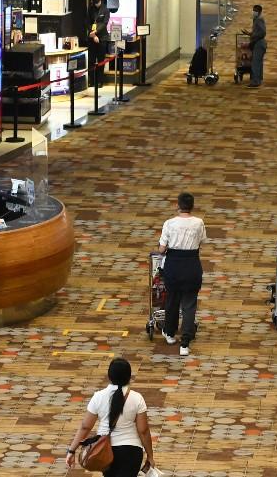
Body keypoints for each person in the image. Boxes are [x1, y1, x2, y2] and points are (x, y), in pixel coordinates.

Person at [65, 358, 155, 476]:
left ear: (109, 376)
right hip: (132, 451)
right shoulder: (137, 398)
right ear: (129, 376)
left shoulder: (98, 397)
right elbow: (143, 431)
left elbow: (85, 427)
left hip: (105, 451)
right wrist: (150, 456)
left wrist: (72, 450)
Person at [158, 192, 207, 356]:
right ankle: (185, 342)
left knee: (172, 299)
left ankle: (170, 333)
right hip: (192, 264)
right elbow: (201, 242)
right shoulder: (198, 223)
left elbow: (162, 248)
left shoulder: (169, 223)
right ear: (192, 206)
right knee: (189, 304)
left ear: (177, 205)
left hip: (174, 265)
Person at [87, 0, 110, 85]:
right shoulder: (90, 9)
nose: (96, 4)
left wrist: (95, 32)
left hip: (102, 38)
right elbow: (87, 22)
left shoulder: (105, 10)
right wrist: (93, 35)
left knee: (101, 60)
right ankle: (92, 81)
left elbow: (104, 23)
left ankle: (100, 81)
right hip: (92, 37)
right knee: (91, 60)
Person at [245, 4, 267, 88]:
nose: (254, 12)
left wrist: (253, 36)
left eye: (256, 11)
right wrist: (250, 33)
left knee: (255, 63)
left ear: (260, 11)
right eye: (253, 10)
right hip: (259, 43)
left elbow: (262, 32)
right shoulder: (256, 19)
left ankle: (255, 81)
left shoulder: (259, 20)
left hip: (259, 43)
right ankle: (259, 79)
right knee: (259, 62)